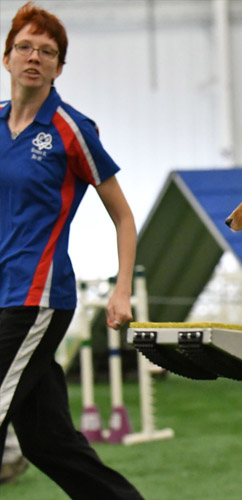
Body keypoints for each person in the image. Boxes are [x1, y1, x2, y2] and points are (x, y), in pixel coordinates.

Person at [0, 3, 144, 499]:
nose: (34, 57)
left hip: (37, 297)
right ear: (7, 58)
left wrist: (121, 290)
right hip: (1, 296)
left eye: (47, 52)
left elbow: (124, 217)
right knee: (47, 441)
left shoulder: (72, 129)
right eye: (24, 47)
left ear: (60, 67)